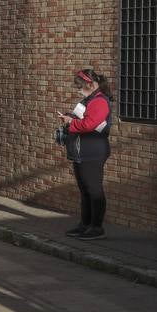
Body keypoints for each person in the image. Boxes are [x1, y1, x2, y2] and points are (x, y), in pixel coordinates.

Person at [56, 68, 112, 240]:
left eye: (80, 86)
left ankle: (97, 228)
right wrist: (70, 117)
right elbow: (84, 120)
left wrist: (71, 122)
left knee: (94, 190)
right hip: (82, 152)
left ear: (91, 84)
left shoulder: (100, 101)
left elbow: (89, 124)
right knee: (85, 190)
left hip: (93, 152)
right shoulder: (89, 100)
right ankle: (85, 224)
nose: (78, 90)